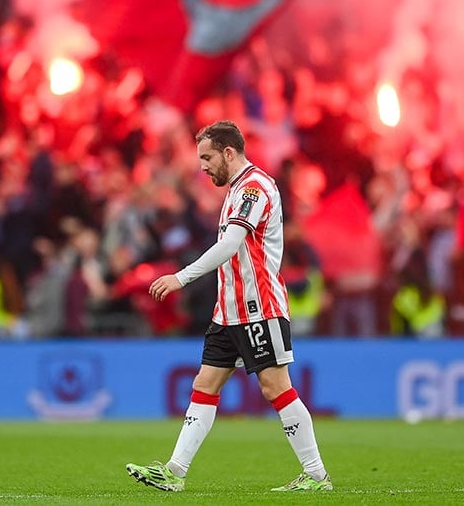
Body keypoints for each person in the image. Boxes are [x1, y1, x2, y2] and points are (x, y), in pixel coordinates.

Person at [126, 121, 331, 493]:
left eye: (206, 157)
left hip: (258, 307)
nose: (202, 167)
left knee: (275, 387)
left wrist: (181, 277)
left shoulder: (254, 187)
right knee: (205, 384)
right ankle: (174, 472)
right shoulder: (237, 189)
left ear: (228, 152)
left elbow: (231, 244)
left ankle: (316, 475)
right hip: (229, 309)